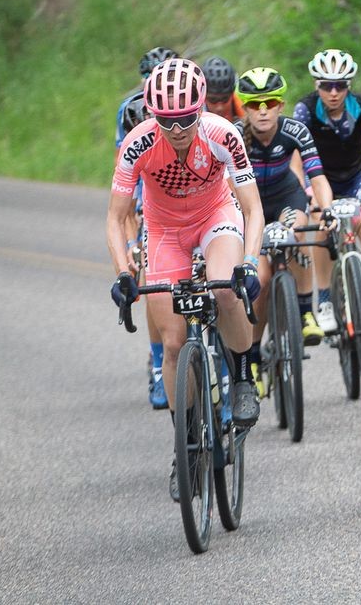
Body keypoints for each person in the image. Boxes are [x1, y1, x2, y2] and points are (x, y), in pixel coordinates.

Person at [107, 58, 265, 499]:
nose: (176, 129)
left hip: (216, 216)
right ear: (152, 113)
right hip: (163, 230)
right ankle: (185, 448)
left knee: (223, 287)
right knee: (174, 343)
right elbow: (115, 219)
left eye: (185, 119)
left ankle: (243, 377)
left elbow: (251, 208)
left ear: (201, 109)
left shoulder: (223, 134)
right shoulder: (137, 145)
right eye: (166, 121)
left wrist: (249, 262)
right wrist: (124, 272)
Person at [236, 66, 335, 392]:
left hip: (285, 198)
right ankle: (251, 355)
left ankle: (306, 312)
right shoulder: (234, 135)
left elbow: (317, 176)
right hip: (249, 207)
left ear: (281, 104)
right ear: (244, 106)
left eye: (270, 103)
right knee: (260, 280)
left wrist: (328, 209)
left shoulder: (295, 129)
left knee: (298, 232)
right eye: (254, 104)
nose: (262, 111)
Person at [293, 49, 361, 354]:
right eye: (326, 85)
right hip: (318, 178)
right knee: (320, 225)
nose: (333, 92)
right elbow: (296, 161)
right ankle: (323, 299)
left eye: (340, 85)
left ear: (349, 85)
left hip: (355, 178)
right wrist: (301, 193)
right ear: (316, 84)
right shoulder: (305, 109)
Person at [116, 45, 177, 410]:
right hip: (145, 194)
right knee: (154, 280)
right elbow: (122, 177)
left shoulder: (189, 103)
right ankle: (159, 364)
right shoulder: (131, 110)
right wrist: (129, 241)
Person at [202, 56, 245, 122]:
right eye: (213, 100)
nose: (220, 108)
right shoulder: (194, 117)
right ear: (203, 96)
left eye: (225, 99)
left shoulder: (246, 110)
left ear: (232, 94)